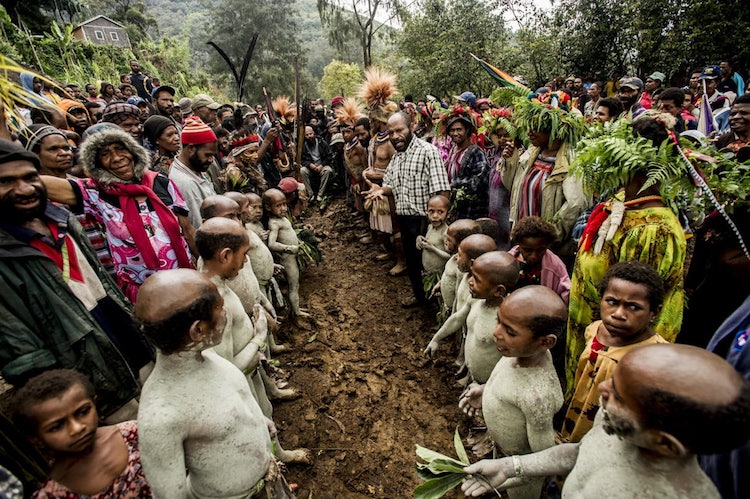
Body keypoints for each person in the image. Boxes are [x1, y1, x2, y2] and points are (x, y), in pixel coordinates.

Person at [460, 344, 750, 498]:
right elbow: (579, 452)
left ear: (665, 443)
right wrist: (510, 467)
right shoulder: (616, 427)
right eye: (614, 380)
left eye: (619, 397)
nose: (602, 389)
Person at [0, 139, 142, 422]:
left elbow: (104, 284)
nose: (25, 188)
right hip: (92, 385)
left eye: (30, 177)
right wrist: (71, 403)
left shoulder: (62, 219)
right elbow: (23, 353)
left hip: (132, 350)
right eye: (6, 182)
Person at [135, 269, 292, 498]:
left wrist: (259, 423)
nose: (226, 312)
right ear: (198, 330)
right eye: (219, 308)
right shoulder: (161, 417)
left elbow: (230, 405)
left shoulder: (207, 356)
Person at [567, 115, 687, 397]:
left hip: (618, 356)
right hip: (595, 337)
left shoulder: (652, 230)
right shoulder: (624, 205)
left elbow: (635, 304)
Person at [459, 285, 567, 499]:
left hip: (521, 475)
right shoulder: (520, 352)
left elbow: (541, 461)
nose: (496, 333)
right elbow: (510, 385)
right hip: (502, 455)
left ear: (545, 342)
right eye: (499, 321)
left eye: (510, 331)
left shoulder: (538, 397)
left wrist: (505, 473)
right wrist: (485, 391)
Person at [561, 261, 668, 443]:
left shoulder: (654, 357)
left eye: (633, 307)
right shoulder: (594, 330)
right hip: (577, 418)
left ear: (654, 313)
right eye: (611, 302)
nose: (618, 314)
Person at [12, 370, 151, 498]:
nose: (77, 428)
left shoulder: (135, 434)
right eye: (56, 427)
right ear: (35, 438)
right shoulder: (54, 494)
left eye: (83, 412)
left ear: (94, 403)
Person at [364, 111, 451, 307]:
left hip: (425, 221)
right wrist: (380, 190)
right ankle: (420, 298)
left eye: (399, 130)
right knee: (412, 263)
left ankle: (438, 305)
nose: (395, 136)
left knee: (431, 265)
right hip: (405, 220)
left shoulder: (428, 152)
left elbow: (442, 191)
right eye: (391, 132)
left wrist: (438, 224)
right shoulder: (397, 158)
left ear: (411, 127)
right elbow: (391, 186)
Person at [425, 251, 519, 385]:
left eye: (477, 279)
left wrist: (486, 388)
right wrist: (436, 339)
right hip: (473, 377)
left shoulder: (507, 323)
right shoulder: (476, 300)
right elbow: (457, 318)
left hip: (488, 387)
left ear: (498, 291)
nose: (469, 281)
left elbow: (512, 362)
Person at [264, 188, 308, 318]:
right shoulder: (274, 223)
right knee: (293, 285)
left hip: (293, 256)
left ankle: (296, 307)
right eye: (278, 206)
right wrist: (290, 248)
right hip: (288, 259)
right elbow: (272, 244)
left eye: (284, 204)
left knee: (296, 284)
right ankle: (296, 312)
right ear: (268, 207)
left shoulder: (282, 218)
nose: (283, 208)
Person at [168, 117, 218, 228]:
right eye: (207, 155)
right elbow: (198, 226)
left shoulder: (196, 166)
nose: (211, 160)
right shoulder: (185, 183)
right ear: (191, 149)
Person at [442, 108, 491, 219]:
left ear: (467, 130)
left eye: (459, 129)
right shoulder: (453, 150)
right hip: (455, 210)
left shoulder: (475, 152)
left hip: (471, 211)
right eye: (452, 130)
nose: (455, 133)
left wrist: (455, 184)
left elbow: (481, 180)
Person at [507, 216, 570, 303]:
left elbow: (566, 291)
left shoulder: (555, 266)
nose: (534, 256)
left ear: (547, 246)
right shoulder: (508, 261)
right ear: (519, 245)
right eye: (527, 250)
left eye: (540, 250)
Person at [415, 195, 450, 291]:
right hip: (428, 272)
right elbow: (429, 240)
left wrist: (433, 249)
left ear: (448, 214)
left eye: (440, 212)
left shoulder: (446, 233)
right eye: (431, 211)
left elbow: (450, 257)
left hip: (439, 274)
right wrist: (420, 238)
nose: (435, 216)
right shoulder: (430, 227)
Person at [300, 126, 334, 209]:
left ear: (314, 133)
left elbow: (329, 156)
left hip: (322, 166)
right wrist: (310, 165)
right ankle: (310, 194)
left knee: (328, 170)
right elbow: (302, 159)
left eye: (310, 134)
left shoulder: (322, 142)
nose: (309, 136)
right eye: (307, 135)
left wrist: (322, 165)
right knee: (302, 170)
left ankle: (320, 195)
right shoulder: (303, 146)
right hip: (311, 168)